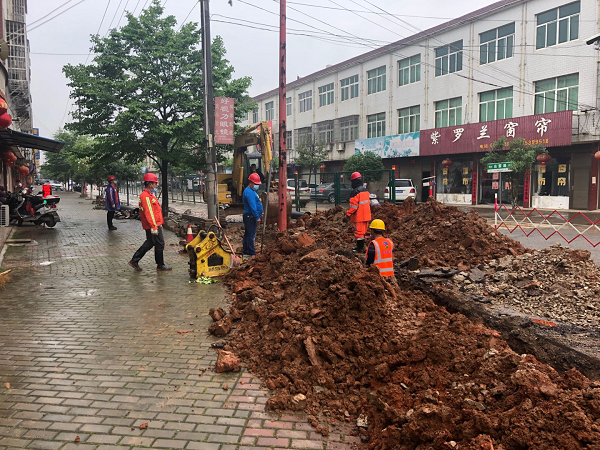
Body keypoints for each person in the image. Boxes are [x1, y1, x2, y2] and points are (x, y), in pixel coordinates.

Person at [128, 173, 172, 272]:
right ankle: (160, 265)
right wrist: (154, 226)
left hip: (152, 224)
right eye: (155, 183)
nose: (156, 185)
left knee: (150, 242)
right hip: (153, 224)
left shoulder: (148, 195)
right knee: (160, 243)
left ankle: (134, 260)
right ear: (150, 184)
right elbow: (149, 212)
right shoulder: (146, 196)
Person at [346, 171, 371, 252]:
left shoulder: (355, 192)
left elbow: (353, 207)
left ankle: (359, 248)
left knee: (359, 233)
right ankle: (361, 247)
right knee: (363, 232)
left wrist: (348, 214)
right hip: (366, 216)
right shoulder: (366, 191)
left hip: (359, 217)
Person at [242, 172, 263, 257]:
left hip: (249, 216)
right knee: (251, 235)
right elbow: (252, 206)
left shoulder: (250, 191)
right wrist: (257, 217)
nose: (257, 186)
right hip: (250, 216)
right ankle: (251, 252)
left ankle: (246, 251)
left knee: (248, 234)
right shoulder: (249, 192)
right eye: (256, 184)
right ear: (251, 183)